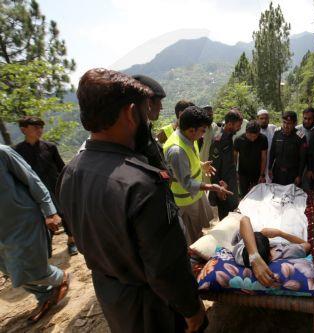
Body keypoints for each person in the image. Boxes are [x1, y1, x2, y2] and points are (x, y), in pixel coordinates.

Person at [57, 68, 206, 333]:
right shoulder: (142, 184)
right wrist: (192, 309)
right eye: (144, 111)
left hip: (111, 297)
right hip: (154, 308)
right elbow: (165, 267)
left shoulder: (71, 171)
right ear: (129, 113)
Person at [0, 144, 69, 323]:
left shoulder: (3, 152)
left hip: (22, 221)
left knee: (31, 269)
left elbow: (32, 180)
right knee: (11, 271)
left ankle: (61, 277)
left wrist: (50, 211)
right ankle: (45, 296)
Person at [165, 105, 232, 244]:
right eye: (202, 131)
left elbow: (188, 162)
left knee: (198, 229)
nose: (203, 134)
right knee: (192, 238)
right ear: (191, 130)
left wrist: (201, 165)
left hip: (195, 196)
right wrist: (212, 187)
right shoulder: (177, 151)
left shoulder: (188, 138)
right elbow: (187, 183)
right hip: (186, 201)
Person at [14, 116, 77, 256]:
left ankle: (71, 241)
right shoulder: (17, 151)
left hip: (55, 187)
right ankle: (47, 246)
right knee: (40, 218)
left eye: (41, 127)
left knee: (64, 214)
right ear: (24, 130)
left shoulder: (50, 147)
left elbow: (61, 167)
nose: (40, 130)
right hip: (33, 191)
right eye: (35, 127)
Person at [232, 215, 311, 287]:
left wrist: (255, 258)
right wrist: (280, 233)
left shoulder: (239, 254)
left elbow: (244, 220)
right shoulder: (282, 252)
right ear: (271, 254)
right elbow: (307, 245)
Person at [209, 110, 243, 219]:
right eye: (238, 126)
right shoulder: (218, 141)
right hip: (224, 188)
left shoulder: (228, 138)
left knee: (233, 214)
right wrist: (219, 189)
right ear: (229, 124)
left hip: (231, 184)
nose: (239, 128)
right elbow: (213, 169)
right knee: (225, 218)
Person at [132, 74, 168, 170]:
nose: (161, 107)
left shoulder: (146, 130)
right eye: (159, 101)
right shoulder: (135, 137)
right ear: (148, 102)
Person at [269, 111, 307, 186]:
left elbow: (303, 158)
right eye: (284, 122)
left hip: (292, 174)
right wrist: (269, 168)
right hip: (278, 173)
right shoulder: (277, 133)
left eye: (289, 123)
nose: (286, 126)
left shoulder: (300, 137)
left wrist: (299, 175)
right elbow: (272, 152)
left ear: (295, 123)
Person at [234, 120, 268, 197]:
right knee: (243, 195)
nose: (252, 138)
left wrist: (262, 175)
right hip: (242, 173)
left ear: (259, 133)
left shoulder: (263, 139)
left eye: (255, 136)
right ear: (246, 132)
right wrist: (235, 172)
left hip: (257, 173)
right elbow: (234, 157)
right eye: (250, 136)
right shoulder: (238, 140)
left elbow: (264, 157)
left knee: (257, 195)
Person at [199, 105, 221, 183]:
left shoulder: (214, 127)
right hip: (199, 162)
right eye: (208, 115)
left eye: (211, 115)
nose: (210, 117)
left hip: (210, 162)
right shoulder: (197, 128)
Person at [257, 109, 276, 182]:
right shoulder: (255, 130)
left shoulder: (273, 128)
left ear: (269, 119)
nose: (264, 120)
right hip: (259, 161)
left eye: (266, 118)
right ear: (257, 119)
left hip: (271, 161)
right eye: (261, 118)